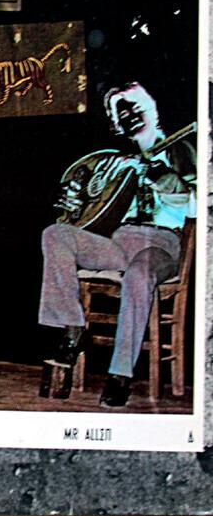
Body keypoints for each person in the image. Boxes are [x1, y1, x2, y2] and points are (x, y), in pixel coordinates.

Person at [39, 82, 196, 406]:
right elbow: (89, 206)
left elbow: (199, 207)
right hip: (120, 241)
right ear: (115, 125)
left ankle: (120, 374)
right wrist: (75, 202)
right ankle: (73, 329)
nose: (130, 115)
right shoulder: (114, 162)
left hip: (161, 244)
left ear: (152, 108)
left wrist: (170, 184)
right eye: (121, 114)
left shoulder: (182, 150)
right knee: (55, 234)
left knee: (139, 273)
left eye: (135, 106)